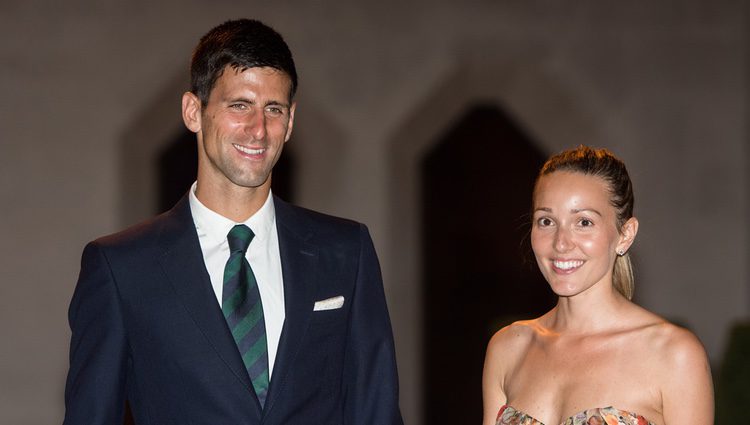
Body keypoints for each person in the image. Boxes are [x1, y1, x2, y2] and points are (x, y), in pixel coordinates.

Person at [64, 19, 403, 425]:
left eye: (273, 109)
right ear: (194, 111)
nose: (258, 130)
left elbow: (377, 411)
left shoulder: (346, 251)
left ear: (291, 121)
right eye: (240, 105)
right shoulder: (121, 267)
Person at [482, 146, 713, 425]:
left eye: (583, 222)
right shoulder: (507, 348)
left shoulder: (673, 354)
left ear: (625, 235)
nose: (561, 243)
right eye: (546, 221)